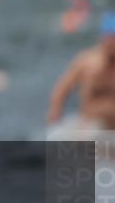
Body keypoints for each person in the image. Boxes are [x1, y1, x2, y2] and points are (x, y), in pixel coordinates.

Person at [47, 12, 115, 141]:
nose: (113, 43)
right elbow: (62, 89)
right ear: (103, 38)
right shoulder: (86, 62)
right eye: (111, 38)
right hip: (92, 125)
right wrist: (55, 112)